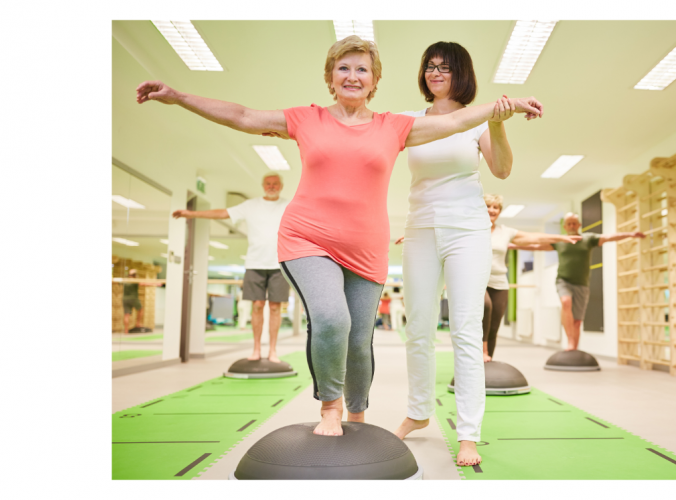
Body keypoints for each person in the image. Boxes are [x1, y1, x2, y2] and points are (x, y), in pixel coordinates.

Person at [135, 35, 543, 437]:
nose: (352, 76)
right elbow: (242, 115)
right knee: (333, 319)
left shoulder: (393, 126)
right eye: (343, 68)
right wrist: (179, 96)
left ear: (374, 80)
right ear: (330, 77)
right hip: (307, 239)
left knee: (359, 339)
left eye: (362, 69)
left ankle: (358, 416)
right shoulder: (306, 118)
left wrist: (504, 107)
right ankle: (330, 408)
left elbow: (455, 121)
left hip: (368, 249)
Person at [382, 42, 568, 467]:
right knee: (419, 328)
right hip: (421, 229)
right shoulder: (410, 120)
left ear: (460, 72)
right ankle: (418, 412)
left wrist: (499, 123)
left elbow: (501, 169)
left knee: (466, 330)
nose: (434, 73)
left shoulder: (477, 119)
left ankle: (469, 433)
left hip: (467, 229)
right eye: (429, 66)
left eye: (444, 67)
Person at [172, 173, 291, 362]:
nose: (272, 186)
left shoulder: (289, 205)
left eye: (275, 183)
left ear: (281, 186)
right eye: (268, 183)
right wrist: (191, 214)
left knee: (275, 307)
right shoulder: (251, 205)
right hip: (254, 263)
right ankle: (257, 349)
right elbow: (222, 213)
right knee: (257, 305)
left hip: (280, 263)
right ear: (262, 185)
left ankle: (273, 351)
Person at [479, 194, 579, 361]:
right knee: (485, 307)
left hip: (500, 283)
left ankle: (487, 364)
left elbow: (535, 237)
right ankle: (481, 353)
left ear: (500, 211)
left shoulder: (505, 232)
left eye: (496, 207)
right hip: (478, 281)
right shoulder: (473, 229)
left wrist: (561, 237)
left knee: (494, 326)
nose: (491, 210)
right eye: (488, 206)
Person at [528, 213, 644, 352]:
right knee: (566, 302)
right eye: (569, 223)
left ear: (579, 225)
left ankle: (574, 349)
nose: (571, 226)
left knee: (577, 321)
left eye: (574, 223)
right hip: (563, 280)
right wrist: (510, 246)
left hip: (582, 284)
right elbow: (535, 246)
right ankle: (570, 341)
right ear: (564, 226)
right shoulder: (559, 241)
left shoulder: (587, 239)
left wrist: (630, 234)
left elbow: (608, 237)